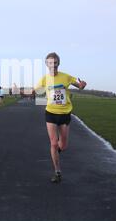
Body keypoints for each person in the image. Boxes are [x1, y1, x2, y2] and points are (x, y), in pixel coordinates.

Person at [35, 52, 87, 183]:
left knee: (63, 146)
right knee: (53, 143)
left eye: (55, 63)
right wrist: (19, 91)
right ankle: (57, 171)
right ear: (47, 65)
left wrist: (82, 85)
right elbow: (34, 91)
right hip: (51, 113)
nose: (53, 65)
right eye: (50, 63)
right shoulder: (44, 79)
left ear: (58, 63)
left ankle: (56, 151)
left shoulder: (66, 77)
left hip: (64, 113)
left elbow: (79, 85)